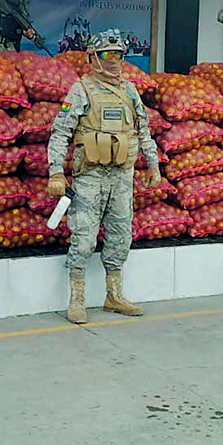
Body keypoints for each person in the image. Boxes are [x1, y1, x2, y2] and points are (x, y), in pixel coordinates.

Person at [47, 29, 162, 324]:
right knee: (84, 238)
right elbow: (60, 132)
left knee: (121, 235)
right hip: (90, 176)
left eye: (118, 55)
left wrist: (153, 165)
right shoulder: (81, 90)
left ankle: (113, 295)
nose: (114, 61)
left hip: (122, 175)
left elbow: (143, 130)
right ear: (93, 58)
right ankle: (77, 299)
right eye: (107, 55)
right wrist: (56, 171)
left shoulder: (129, 91)